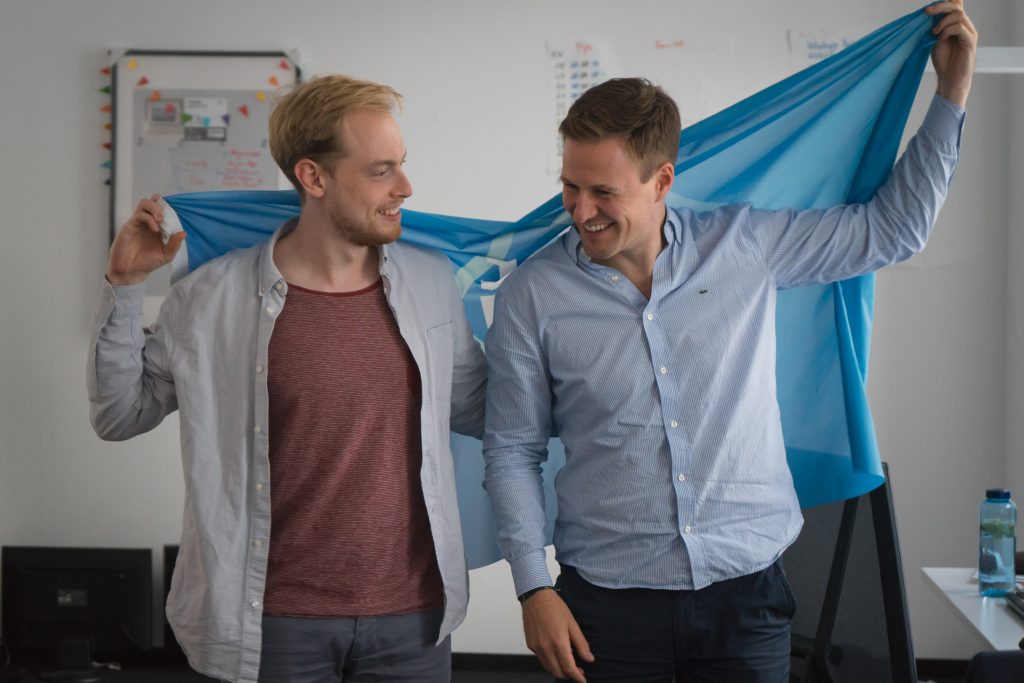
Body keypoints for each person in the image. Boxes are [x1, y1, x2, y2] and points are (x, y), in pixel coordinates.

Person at [482, 2, 976, 681]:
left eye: (604, 191)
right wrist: (533, 586)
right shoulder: (530, 295)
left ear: (662, 181)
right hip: (606, 606)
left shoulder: (743, 245)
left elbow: (891, 231)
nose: (582, 211)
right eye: (569, 187)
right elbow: (512, 449)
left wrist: (951, 92)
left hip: (747, 596)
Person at [88, 75, 486, 683]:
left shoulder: (433, 284)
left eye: (401, 166)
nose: (406, 188)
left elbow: (481, 409)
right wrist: (124, 286)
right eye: (382, 170)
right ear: (314, 177)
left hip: (414, 620)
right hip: (269, 624)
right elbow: (120, 415)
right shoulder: (209, 299)